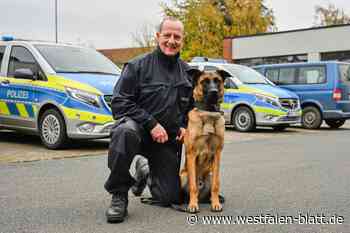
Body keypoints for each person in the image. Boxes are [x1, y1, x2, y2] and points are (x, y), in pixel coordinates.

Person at [104, 16, 193, 223]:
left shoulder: (188, 72)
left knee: (168, 197)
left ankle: (145, 169)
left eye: (177, 36)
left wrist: (185, 125)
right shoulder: (137, 66)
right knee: (123, 132)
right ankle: (119, 195)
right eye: (167, 35)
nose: (172, 41)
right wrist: (151, 123)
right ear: (157, 37)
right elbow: (118, 103)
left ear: (183, 40)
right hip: (138, 132)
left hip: (166, 141)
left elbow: (191, 107)